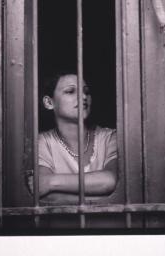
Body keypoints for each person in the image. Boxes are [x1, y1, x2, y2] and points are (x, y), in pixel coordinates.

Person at [27, 69, 117, 203]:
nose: (83, 97)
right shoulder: (42, 141)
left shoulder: (110, 137)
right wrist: (104, 199)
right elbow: (43, 194)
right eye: (70, 91)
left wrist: (52, 182)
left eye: (86, 91)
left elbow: (110, 181)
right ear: (49, 103)